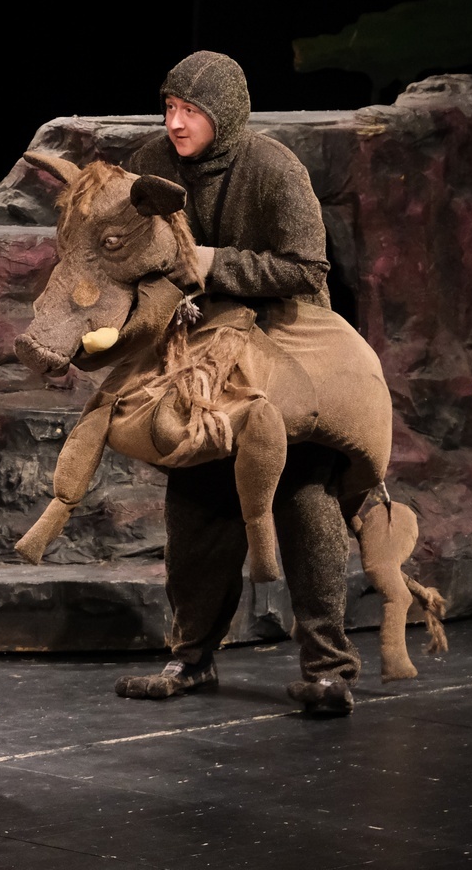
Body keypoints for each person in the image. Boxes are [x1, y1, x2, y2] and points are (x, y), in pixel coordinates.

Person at [115, 50, 359, 717]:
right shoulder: (151, 163)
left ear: (224, 115)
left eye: (190, 111)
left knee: (305, 498)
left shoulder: (273, 168)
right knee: (196, 501)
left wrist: (212, 263)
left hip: (285, 350)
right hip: (204, 356)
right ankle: (191, 657)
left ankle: (328, 669)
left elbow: (307, 269)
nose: (175, 122)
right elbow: (129, 249)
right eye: (169, 107)